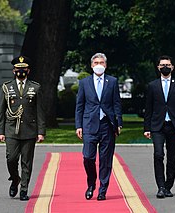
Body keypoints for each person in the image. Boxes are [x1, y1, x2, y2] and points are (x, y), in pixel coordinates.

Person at [0, 56, 46, 201]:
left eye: (23, 69)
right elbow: (1, 111)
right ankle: (15, 179)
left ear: (28, 70)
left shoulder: (35, 87)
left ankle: (24, 189)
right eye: (18, 69)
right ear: (14, 71)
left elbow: (40, 111)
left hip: (29, 130)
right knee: (11, 158)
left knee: (27, 162)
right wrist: (0, 132)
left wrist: (41, 132)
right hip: (11, 129)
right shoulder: (7, 87)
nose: (21, 71)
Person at [75, 53, 123, 201]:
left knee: (105, 159)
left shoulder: (112, 81)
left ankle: (103, 189)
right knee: (88, 157)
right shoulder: (84, 83)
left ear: (106, 65)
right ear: (91, 65)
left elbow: (116, 103)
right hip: (89, 124)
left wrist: (119, 122)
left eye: (101, 62)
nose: (99, 65)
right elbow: (80, 106)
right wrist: (78, 125)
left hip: (107, 125)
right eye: (96, 62)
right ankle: (91, 183)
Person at [143, 55, 175, 198]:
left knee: (172, 157)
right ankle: (161, 187)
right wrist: (146, 128)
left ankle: (169, 185)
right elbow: (148, 108)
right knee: (158, 155)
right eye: (162, 65)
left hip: (174, 126)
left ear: (172, 67)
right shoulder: (152, 86)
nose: (165, 67)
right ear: (158, 67)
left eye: (168, 65)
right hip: (157, 126)